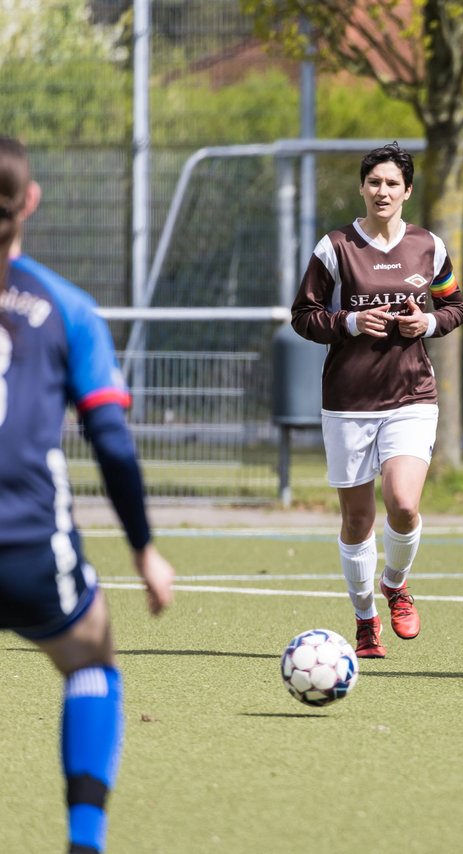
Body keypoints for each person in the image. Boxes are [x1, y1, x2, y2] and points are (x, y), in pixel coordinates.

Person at [0, 135, 175, 854]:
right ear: (31, 202)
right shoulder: (67, 307)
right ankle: (85, 841)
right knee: (91, 657)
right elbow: (110, 442)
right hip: (26, 539)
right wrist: (145, 550)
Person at [291, 142, 463, 659]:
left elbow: (455, 305)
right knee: (356, 521)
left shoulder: (429, 247)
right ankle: (366, 619)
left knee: (405, 504)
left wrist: (427, 322)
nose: (382, 191)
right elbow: (304, 315)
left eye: (393, 183)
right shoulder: (335, 247)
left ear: (407, 191)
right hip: (347, 401)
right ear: (362, 188)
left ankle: (397, 584)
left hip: (412, 394)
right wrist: (347, 321)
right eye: (374, 182)